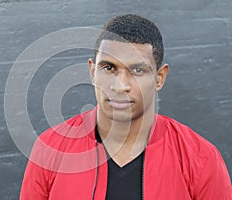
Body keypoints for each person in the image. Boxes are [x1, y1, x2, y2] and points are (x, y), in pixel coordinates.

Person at [20, 14, 231, 200]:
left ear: (159, 78)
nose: (120, 85)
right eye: (108, 67)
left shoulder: (201, 158)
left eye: (138, 70)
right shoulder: (50, 150)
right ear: (93, 72)